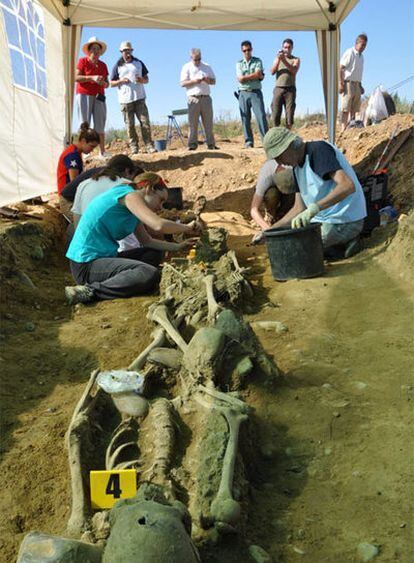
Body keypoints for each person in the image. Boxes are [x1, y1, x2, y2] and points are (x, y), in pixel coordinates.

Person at [65, 173, 203, 304]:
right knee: (148, 272)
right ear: (148, 188)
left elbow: (146, 241)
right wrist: (187, 227)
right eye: (161, 200)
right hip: (86, 264)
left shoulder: (131, 206)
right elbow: (158, 225)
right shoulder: (129, 195)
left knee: (153, 253)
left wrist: (178, 246)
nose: (160, 207)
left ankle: (131, 280)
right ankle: (90, 291)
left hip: (102, 258)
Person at [262, 127, 367, 257]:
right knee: (286, 246)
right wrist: (270, 231)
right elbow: (298, 208)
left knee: (299, 252)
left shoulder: (318, 151)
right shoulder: (296, 168)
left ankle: (348, 243)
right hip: (321, 221)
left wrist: (315, 208)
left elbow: (347, 185)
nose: (279, 162)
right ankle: (337, 248)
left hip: (344, 220)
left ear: (289, 146)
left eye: (279, 156)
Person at [110, 41, 156, 155]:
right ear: (121, 52)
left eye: (129, 50)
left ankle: (149, 145)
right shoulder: (118, 65)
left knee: (145, 122)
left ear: (131, 51)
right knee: (129, 125)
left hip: (139, 97)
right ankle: (134, 147)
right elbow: (111, 83)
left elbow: (147, 79)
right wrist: (121, 81)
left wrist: (142, 80)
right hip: (125, 100)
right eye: (125, 50)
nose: (127, 52)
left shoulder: (139, 63)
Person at [75, 36, 110, 158]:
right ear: (88, 50)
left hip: (99, 96)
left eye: (97, 49)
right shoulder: (82, 61)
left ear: (100, 52)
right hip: (84, 94)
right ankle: (82, 152)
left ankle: (102, 152)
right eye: (93, 49)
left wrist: (103, 83)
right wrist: (92, 78)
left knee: (100, 124)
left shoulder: (103, 65)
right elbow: (76, 78)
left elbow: (107, 83)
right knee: (84, 124)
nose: (95, 52)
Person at [57, 122, 99, 219]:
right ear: (83, 141)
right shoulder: (73, 155)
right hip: (67, 199)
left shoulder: (75, 152)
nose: (92, 150)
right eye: (91, 146)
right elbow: (74, 181)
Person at [180, 48, 218, 150]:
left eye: (199, 59)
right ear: (191, 57)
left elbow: (214, 81)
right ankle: (192, 145)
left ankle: (211, 145)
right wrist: (194, 81)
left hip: (206, 98)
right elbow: (182, 83)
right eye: (195, 59)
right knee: (193, 124)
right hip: (193, 98)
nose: (197, 61)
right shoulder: (186, 67)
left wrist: (207, 80)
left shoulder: (206, 66)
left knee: (208, 124)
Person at [236, 40, 268, 148]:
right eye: (244, 50)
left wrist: (246, 78)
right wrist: (254, 75)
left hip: (255, 92)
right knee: (245, 118)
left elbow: (259, 74)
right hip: (243, 93)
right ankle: (248, 142)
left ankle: (266, 141)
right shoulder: (239, 63)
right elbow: (240, 79)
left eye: (248, 50)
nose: (247, 52)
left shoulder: (257, 61)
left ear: (252, 49)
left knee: (261, 117)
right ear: (242, 51)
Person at [250, 162, 296, 232]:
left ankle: (283, 214)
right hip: (272, 191)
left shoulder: (295, 167)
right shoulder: (265, 176)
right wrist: (267, 229)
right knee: (272, 194)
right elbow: (254, 209)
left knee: (294, 195)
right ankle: (271, 215)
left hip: (292, 189)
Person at [339, 34, 368, 131]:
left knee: (355, 108)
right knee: (346, 107)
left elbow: (358, 72)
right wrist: (341, 83)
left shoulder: (361, 57)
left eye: (365, 45)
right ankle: (343, 128)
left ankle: (351, 127)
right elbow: (341, 68)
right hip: (348, 83)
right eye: (362, 45)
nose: (363, 47)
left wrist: (360, 85)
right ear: (357, 43)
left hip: (357, 83)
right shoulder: (350, 52)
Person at [270, 38, 300, 130]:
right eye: (285, 47)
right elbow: (272, 71)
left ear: (292, 48)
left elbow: (294, 70)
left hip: (290, 89)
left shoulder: (296, 59)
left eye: (288, 47)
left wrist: (284, 60)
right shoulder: (277, 58)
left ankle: (288, 137)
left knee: (289, 116)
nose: (286, 49)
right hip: (278, 88)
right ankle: (276, 135)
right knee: (275, 114)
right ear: (282, 48)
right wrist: (279, 59)